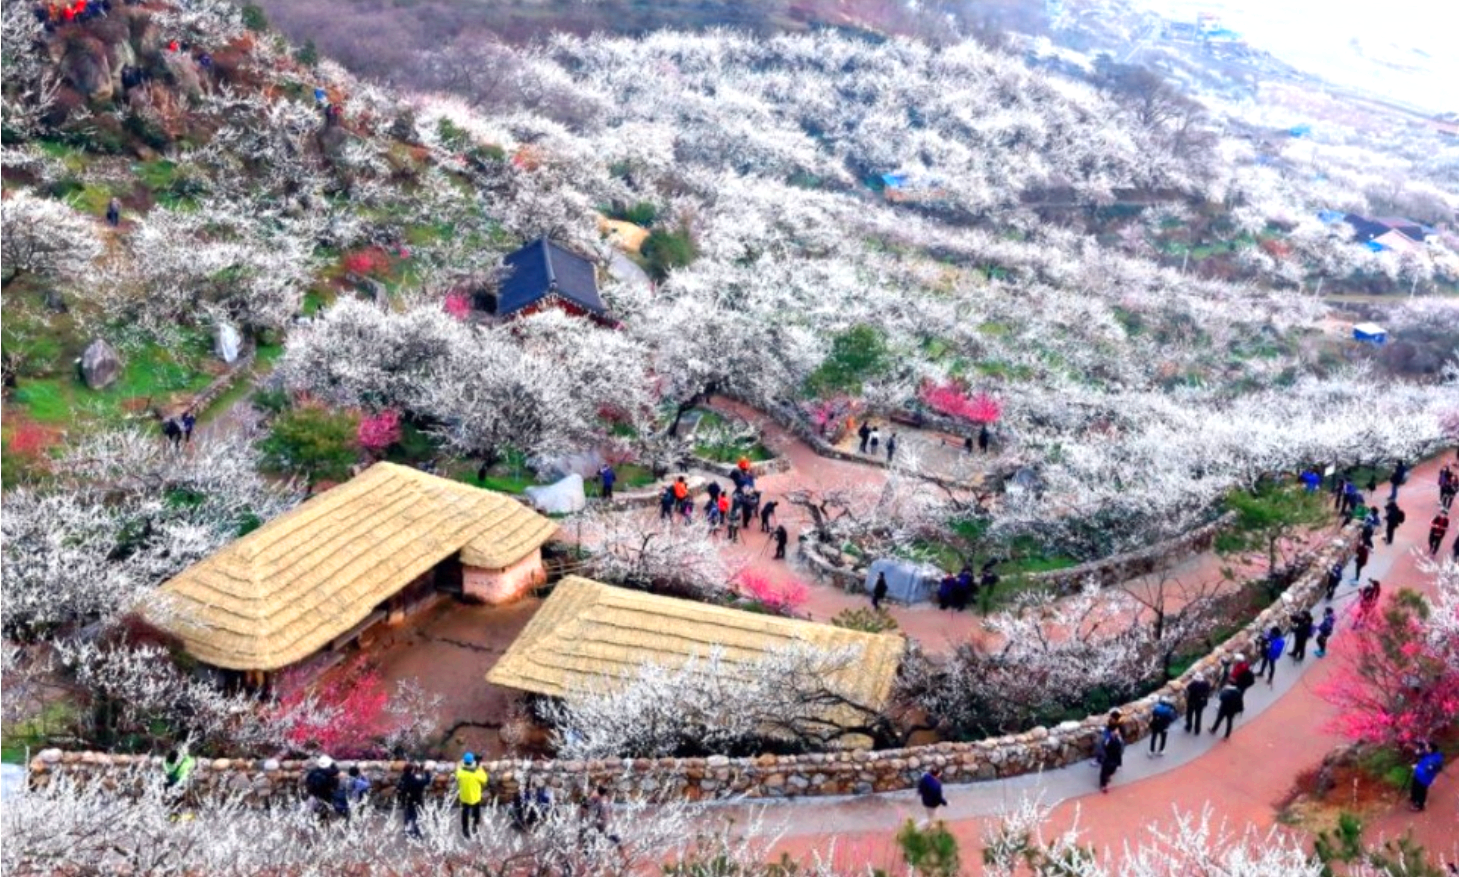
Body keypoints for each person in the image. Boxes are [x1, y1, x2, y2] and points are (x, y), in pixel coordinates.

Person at [456, 752, 488, 838]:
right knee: (476, 812)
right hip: (475, 797)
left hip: (464, 796)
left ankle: (465, 829)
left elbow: (458, 772)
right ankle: (475, 827)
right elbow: (485, 779)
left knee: (465, 813)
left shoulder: (460, 772)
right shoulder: (476, 773)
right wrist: (480, 768)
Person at [304, 755, 342, 819]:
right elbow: (335, 786)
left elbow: (307, 783)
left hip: (313, 797)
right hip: (325, 798)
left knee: (311, 818)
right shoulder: (329, 775)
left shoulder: (313, 773)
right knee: (325, 817)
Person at [397, 762, 428, 838]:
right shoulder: (413, 780)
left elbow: (399, 788)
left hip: (406, 800)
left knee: (408, 815)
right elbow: (424, 782)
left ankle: (407, 830)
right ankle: (417, 832)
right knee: (416, 816)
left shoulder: (403, 778)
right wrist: (428, 774)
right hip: (416, 800)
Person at [1411, 743, 1444, 812]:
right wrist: (1418, 752)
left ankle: (1420, 805)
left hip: (1424, 778)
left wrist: (1416, 768)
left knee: (1421, 791)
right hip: (1417, 775)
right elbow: (1420, 754)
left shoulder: (1435, 760)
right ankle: (1414, 798)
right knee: (1414, 787)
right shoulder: (1428, 753)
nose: (1425, 748)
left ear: (1431, 749)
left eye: (1427, 747)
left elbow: (1427, 770)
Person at [1098, 728, 1125, 793]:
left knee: (1113, 769)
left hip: (1115, 757)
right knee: (1104, 771)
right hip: (1108, 757)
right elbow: (1104, 747)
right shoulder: (1108, 739)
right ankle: (1103, 785)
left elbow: (1121, 748)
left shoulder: (1119, 739)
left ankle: (1108, 776)